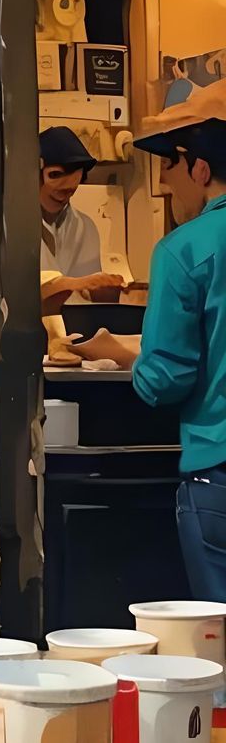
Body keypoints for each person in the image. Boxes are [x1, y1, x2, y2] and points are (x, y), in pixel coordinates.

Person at [128, 82, 226, 599]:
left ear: (200, 169)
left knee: (216, 649)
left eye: (168, 168)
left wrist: (136, 362)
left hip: (218, 473)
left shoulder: (183, 250)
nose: (166, 186)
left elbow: (166, 379)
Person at [38, 126, 125, 304]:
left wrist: (104, 290)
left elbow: (87, 297)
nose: (62, 196)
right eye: (54, 176)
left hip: (73, 328)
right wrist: (76, 284)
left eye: (70, 191)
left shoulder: (85, 227)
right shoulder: (7, 226)